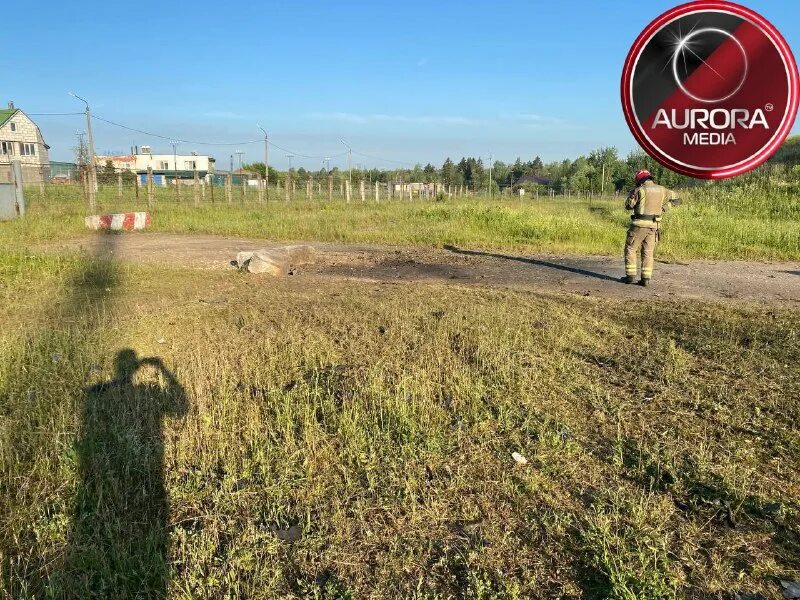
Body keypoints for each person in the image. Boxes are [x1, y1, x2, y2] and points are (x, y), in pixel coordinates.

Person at [622, 169, 681, 286]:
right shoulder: (662, 189)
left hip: (639, 225)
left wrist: (631, 195)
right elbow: (678, 199)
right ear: (650, 178)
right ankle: (646, 279)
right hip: (654, 226)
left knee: (631, 249)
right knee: (648, 252)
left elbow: (629, 206)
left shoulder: (639, 190)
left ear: (639, 180)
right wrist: (664, 207)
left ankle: (630, 277)